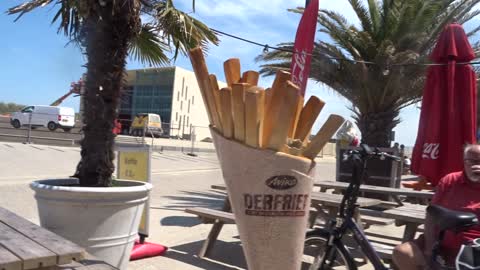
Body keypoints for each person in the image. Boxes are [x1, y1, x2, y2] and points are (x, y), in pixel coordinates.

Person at [392, 144, 480, 269]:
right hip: (441, 241)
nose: (476, 165)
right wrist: (429, 248)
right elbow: (431, 215)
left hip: (474, 247)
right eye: (471, 161)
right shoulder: (450, 180)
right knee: (403, 253)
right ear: (464, 162)